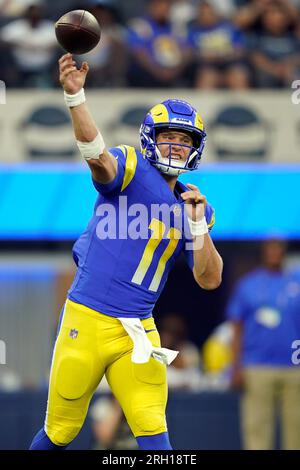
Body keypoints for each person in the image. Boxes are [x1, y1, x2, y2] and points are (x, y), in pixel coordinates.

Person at [29, 52, 223, 450]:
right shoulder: (131, 163)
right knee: (60, 431)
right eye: (169, 135)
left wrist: (200, 224)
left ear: (196, 149)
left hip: (138, 328)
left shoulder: (194, 204)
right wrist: (75, 98)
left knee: (154, 430)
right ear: (151, 136)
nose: (175, 145)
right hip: (88, 316)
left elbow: (209, 279)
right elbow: (97, 158)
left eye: (184, 139)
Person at [227, 239, 300, 450]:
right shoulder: (248, 284)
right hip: (256, 366)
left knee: (296, 432)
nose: (275, 252)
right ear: (263, 252)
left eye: (279, 248)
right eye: (271, 248)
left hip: (294, 367)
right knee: (257, 430)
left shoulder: (296, 282)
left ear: (284, 252)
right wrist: (236, 366)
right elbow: (236, 327)